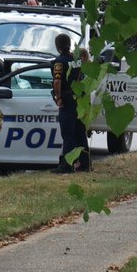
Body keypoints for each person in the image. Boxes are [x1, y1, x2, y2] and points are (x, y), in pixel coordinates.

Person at [51, 33, 90, 173]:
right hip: (79, 99)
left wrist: (58, 97)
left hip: (67, 99)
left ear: (58, 46)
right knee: (80, 132)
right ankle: (85, 164)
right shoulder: (77, 60)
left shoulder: (59, 61)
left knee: (68, 134)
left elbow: (57, 81)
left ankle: (66, 166)